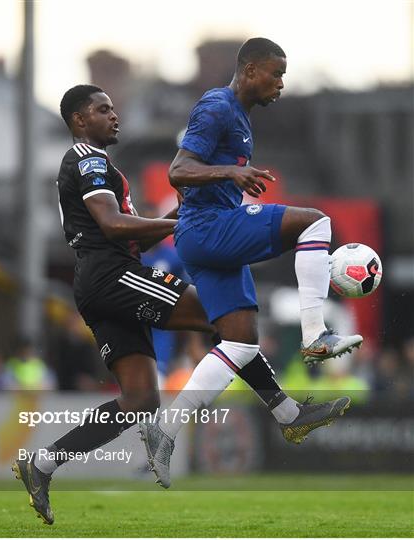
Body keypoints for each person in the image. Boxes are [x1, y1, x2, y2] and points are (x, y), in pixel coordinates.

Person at [13, 84, 351, 524]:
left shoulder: (92, 162)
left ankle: (41, 464)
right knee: (227, 323)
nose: (114, 115)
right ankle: (287, 413)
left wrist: (174, 219)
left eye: (113, 107)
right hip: (115, 274)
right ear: (79, 120)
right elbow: (114, 226)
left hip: (96, 282)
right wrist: (175, 221)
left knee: (139, 401)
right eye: (103, 109)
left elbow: (128, 230)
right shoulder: (88, 158)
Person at [138, 38, 362, 488]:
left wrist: (224, 180)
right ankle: (315, 335)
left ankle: (174, 427)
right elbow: (178, 170)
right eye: (276, 73)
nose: (281, 83)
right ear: (250, 69)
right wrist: (232, 173)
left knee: (239, 343)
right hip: (208, 228)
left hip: (203, 234)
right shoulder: (217, 106)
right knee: (315, 224)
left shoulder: (240, 117)